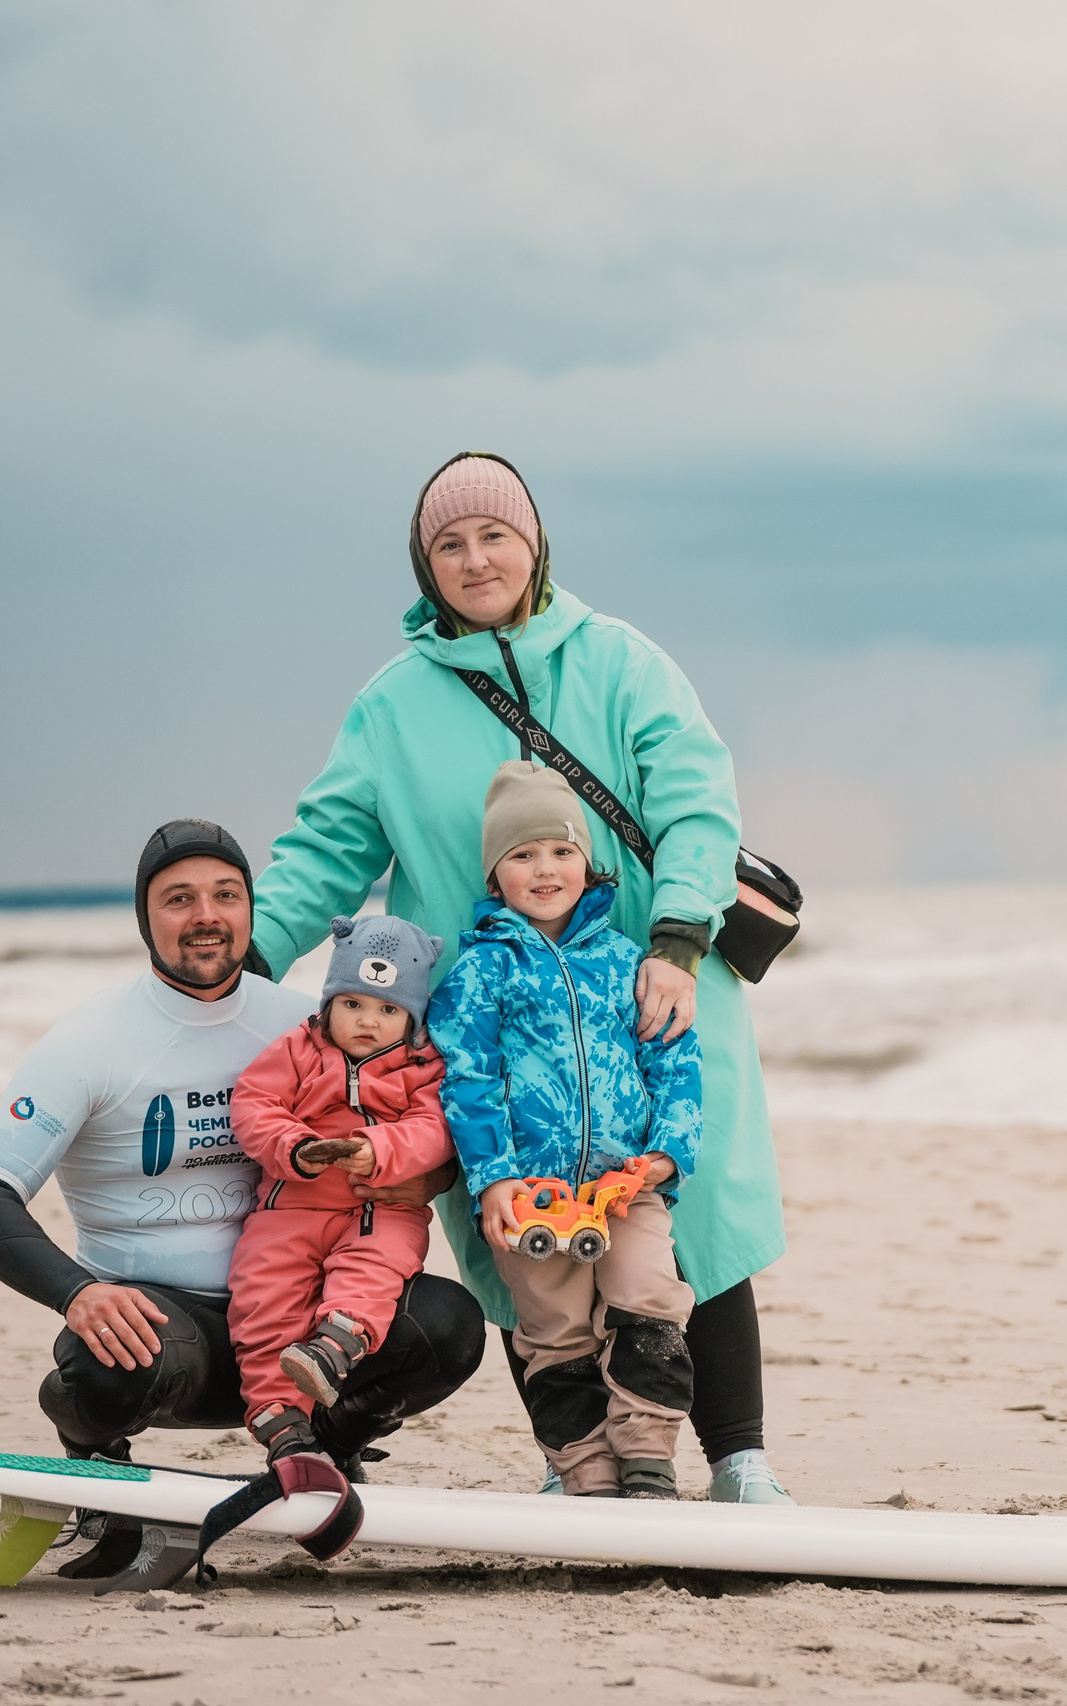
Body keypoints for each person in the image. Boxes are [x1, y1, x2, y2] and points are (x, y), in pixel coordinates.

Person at [247, 452, 791, 1503]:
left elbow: (695, 799)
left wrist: (679, 935)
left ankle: (739, 1462)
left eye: (494, 534)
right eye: (449, 544)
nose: (475, 559)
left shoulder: (621, 662)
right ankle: (572, 1464)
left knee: (690, 1222)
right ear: (426, 566)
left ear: (533, 543)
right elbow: (326, 848)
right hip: (490, 1019)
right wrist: (244, 956)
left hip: (654, 989)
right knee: (520, 1237)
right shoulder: (392, 706)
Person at [0, 819, 486, 1580]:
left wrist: (423, 1175)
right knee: (108, 1356)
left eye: (226, 895)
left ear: (249, 909)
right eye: (179, 898)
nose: (206, 915)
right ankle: (98, 1467)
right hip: (175, 1343)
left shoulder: (312, 1023)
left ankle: (326, 1444)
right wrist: (79, 1294)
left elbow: (424, 1125)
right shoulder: (88, 1041)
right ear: (145, 916)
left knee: (449, 1325)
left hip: (307, 1329)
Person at [433, 763, 703, 1498]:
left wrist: (669, 1154)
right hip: (531, 1197)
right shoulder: (481, 972)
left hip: (628, 1186)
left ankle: (647, 1453)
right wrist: (493, 1179)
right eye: (522, 855)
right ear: (496, 876)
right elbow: (468, 1082)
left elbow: (675, 1061)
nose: (545, 868)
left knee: (651, 1301)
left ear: (587, 861)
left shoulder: (626, 963)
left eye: (561, 851)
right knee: (556, 1332)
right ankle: (584, 1470)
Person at [226, 913, 452, 1465]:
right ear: (329, 1002)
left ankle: (335, 1347)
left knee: (375, 1267)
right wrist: (295, 1147)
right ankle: (280, 1420)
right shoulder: (297, 1050)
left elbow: (436, 1128)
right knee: (264, 1299)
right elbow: (254, 1104)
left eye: (388, 1010)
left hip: (379, 1206)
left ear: (413, 1015)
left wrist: (381, 1148)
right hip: (290, 1208)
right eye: (352, 1003)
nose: (368, 1021)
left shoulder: (423, 1066)